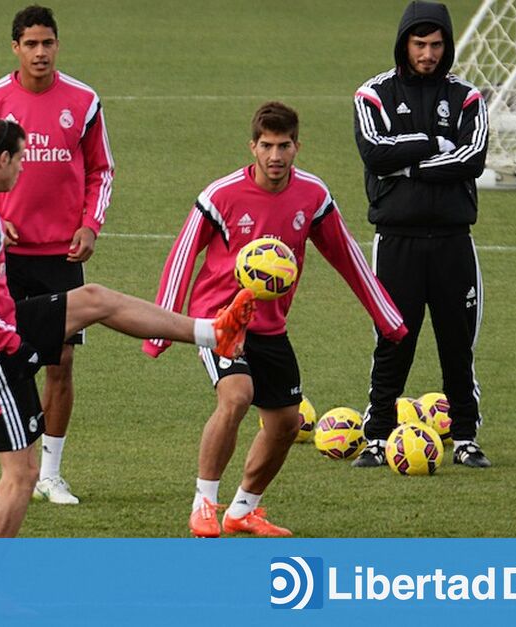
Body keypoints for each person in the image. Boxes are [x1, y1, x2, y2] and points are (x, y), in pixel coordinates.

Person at [0, 119, 255, 537]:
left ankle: (213, 332)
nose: (24, 168)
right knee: (21, 475)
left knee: (95, 299)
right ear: (2, 159)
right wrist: (13, 345)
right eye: (20, 158)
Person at [144, 102, 407, 537]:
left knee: (287, 422)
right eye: (267, 146)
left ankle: (243, 509)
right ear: (253, 146)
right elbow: (182, 257)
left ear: (297, 146)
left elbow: (347, 256)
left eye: (284, 146)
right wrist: (160, 330)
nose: (275, 156)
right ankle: (204, 504)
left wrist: (387, 318)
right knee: (236, 396)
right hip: (221, 321)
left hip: (270, 327)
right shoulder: (220, 196)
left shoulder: (313, 196)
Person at [0, 4, 115, 505]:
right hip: (1, 255)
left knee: (61, 364)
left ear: (58, 45)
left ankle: (51, 474)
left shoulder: (82, 100)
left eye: (47, 43)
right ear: (15, 47)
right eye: (30, 44)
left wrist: (90, 225)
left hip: (62, 256)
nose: (40, 52)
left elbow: (102, 170)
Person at [351, 1, 491, 468]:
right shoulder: (373, 95)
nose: (428, 54)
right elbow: (375, 153)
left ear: (446, 46)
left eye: (436, 45)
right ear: (403, 44)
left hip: (454, 242)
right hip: (396, 242)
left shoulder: (469, 98)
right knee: (393, 341)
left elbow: (472, 159)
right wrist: (434, 145)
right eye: (419, 44)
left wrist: (407, 165)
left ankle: (466, 438)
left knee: (457, 344)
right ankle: (376, 437)